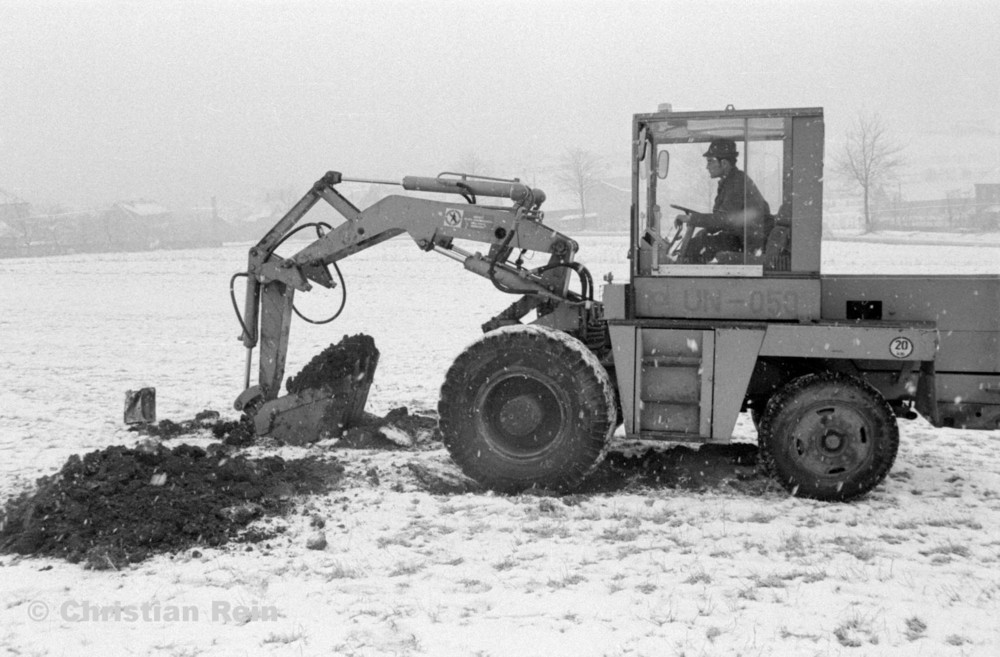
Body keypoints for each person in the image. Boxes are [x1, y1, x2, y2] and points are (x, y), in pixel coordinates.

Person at [674, 139, 772, 263]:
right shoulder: (730, 181)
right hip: (742, 237)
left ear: (724, 163)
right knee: (699, 242)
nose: (707, 167)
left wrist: (691, 219)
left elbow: (724, 219)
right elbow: (723, 218)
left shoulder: (736, 183)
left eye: (710, 161)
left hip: (749, 242)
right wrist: (706, 229)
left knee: (696, 247)